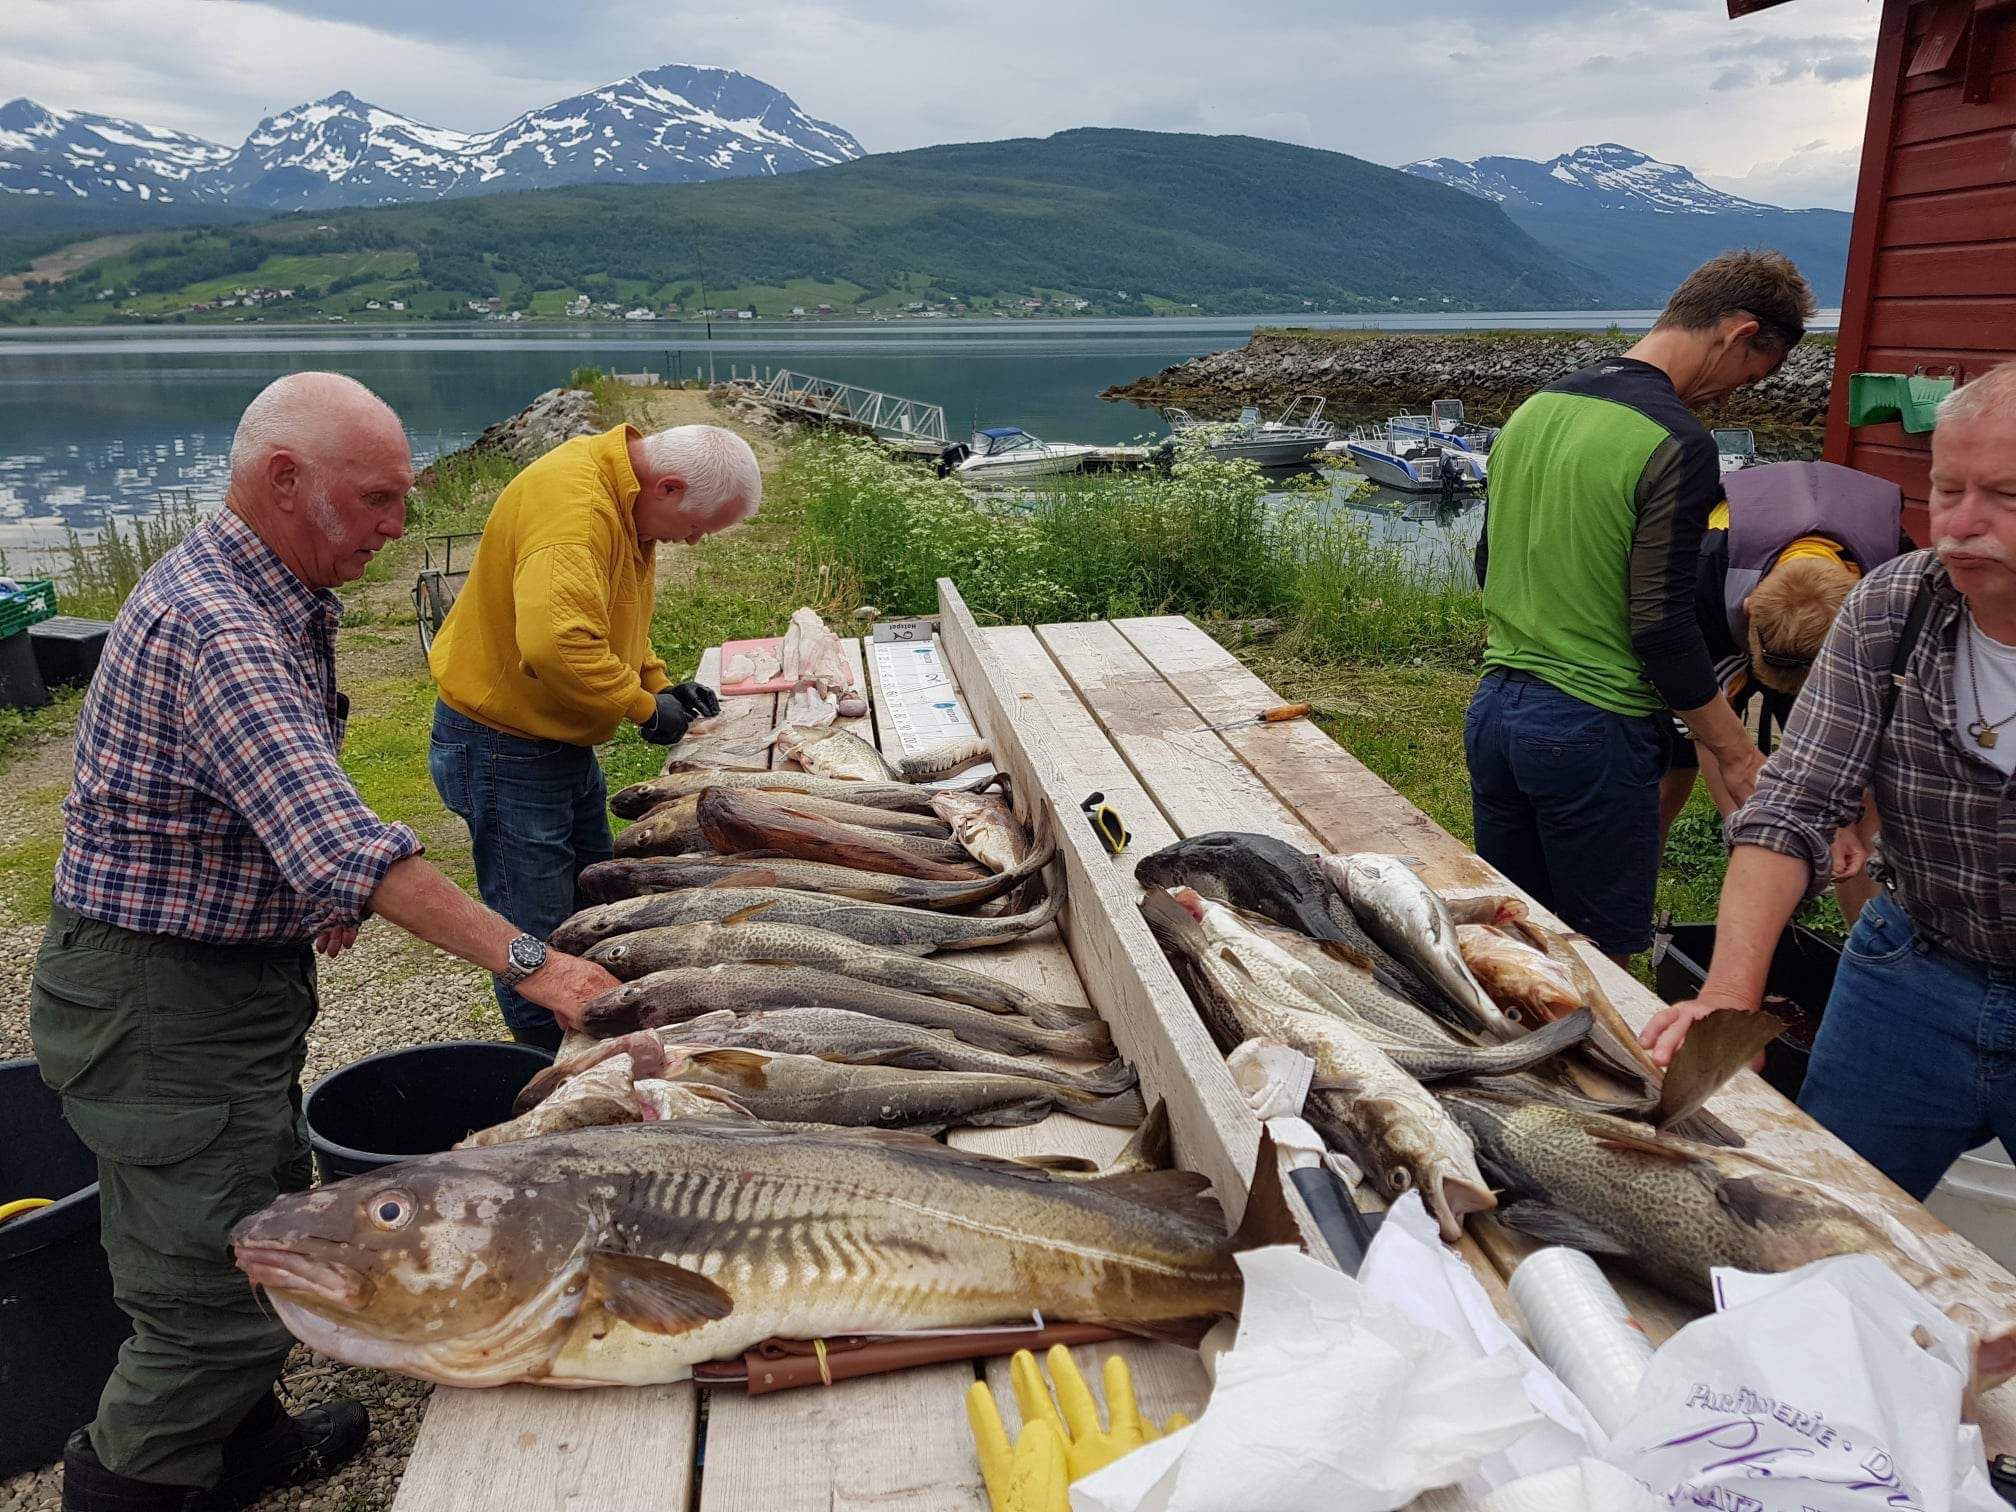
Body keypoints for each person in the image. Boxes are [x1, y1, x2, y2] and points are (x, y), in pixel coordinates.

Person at [32, 373, 625, 1511]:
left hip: (216, 982)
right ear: (282, 480)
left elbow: (269, 797)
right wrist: (537, 966)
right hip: (158, 1000)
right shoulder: (220, 626)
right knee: (207, 1298)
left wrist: (299, 886)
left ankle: (243, 1449)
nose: (401, 525)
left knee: (242, 1214)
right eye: (378, 500)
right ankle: (127, 1485)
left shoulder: (275, 588)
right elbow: (349, 845)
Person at [1643, 362, 2016, 1201]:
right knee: (1816, 1216)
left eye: (2006, 496)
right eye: (1947, 489)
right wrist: (1731, 1002)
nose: (1962, 524)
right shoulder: (1892, 605)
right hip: (1916, 971)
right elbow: (1796, 801)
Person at [1465, 250, 1816, 963]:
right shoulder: (1676, 441)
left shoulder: (1537, 408)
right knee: (1597, 967)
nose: (1730, 399)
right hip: (1590, 732)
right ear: (1739, 331)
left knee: (1513, 951)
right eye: (1749, 377)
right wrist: (1735, 749)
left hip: (1493, 715)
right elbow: (1659, 625)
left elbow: (1486, 563)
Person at [426, 419, 762, 1050]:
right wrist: (639, 707)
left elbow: (610, 616)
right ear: (666, 486)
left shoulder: (623, 496)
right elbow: (557, 645)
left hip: (554, 738)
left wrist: (660, 684)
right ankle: (544, 1071)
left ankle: (602, 1031)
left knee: (595, 892)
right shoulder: (576, 510)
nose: (693, 541)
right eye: (699, 525)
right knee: (538, 929)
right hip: (504, 746)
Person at [1657, 460, 1910, 923]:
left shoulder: (1895, 587)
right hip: (1723, 605)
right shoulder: (1706, 565)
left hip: (1836, 633)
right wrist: (1750, 829)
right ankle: (1634, 909)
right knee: (1671, 771)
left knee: (1863, 811)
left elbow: (1868, 738)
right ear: (1750, 611)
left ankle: (1865, 945)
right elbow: (1709, 727)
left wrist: (1845, 822)